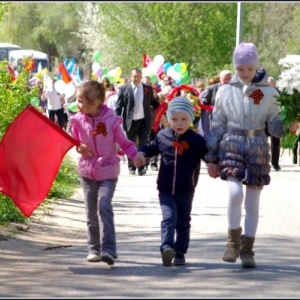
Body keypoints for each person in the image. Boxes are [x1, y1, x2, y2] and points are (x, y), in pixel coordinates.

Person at [205, 42, 285, 268]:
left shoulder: (269, 92)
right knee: (234, 193)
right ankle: (232, 241)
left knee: (252, 202)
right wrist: (211, 157)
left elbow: (275, 126)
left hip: (257, 147)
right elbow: (217, 124)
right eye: (240, 69)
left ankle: (248, 249)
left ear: (256, 65)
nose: (245, 73)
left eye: (249, 68)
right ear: (235, 67)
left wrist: (289, 125)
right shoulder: (225, 90)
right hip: (231, 144)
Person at [133, 97, 217, 267]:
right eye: (174, 119)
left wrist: (212, 164)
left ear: (191, 119)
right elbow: (150, 147)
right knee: (169, 218)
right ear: (168, 119)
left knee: (183, 221)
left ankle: (180, 252)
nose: (179, 123)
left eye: (184, 119)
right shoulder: (163, 136)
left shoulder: (196, 140)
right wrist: (141, 154)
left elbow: (207, 155)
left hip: (187, 188)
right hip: (165, 188)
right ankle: (166, 248)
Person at [69, 80, 140, 266]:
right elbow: (74, 141)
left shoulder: (111, 121)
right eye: (77, 100)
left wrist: (135, 156)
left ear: (95, 103)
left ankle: (108, 249)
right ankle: (94, 249)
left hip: (108, 171)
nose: (78, 104)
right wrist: (79, 147)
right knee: (90, 213)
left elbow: (125, 144)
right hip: (87, 172)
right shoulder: (77, 120)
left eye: (81, 101)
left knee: (103, 206)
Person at [115, 67, 160, 176]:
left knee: (143, 144)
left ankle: (141, 167)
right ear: (131, 77)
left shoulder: (147, 89)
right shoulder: (124, 89)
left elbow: (154, 102)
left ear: (141, 76)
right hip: (129, 122)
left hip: (144, 121)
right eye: (135, 76)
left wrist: (162, 107)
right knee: (130, 145)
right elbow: (119, 106)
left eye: (139, 76)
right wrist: (116, 120)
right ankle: (131, 167)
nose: (137, 78)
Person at [200, 70, 232, 138]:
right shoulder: (212, 89)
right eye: (224, 79)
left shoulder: (235, 88)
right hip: (214, 118)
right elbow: (203, 103)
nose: (227, 81)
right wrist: (212, 108)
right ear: (220, 79)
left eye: (229, 79)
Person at [265, 76, 281, 171]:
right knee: (262, 141)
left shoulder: (279, 93)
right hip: (263, 120)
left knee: (276, 142)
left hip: (276, 120)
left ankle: (275, 163)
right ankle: (263, 161)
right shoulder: (259, 91)